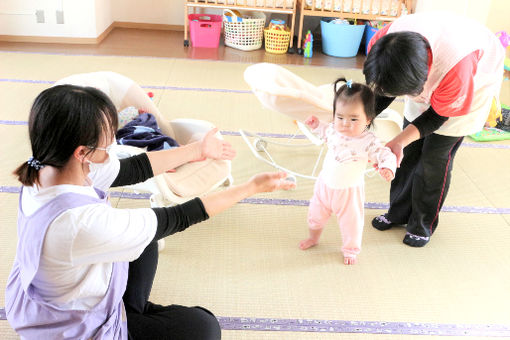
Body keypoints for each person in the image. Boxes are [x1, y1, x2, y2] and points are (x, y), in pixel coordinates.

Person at [5, 85, 295, 340]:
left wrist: (199, 150)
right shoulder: (78, 224)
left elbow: (133, 168)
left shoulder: (45, 168)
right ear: (81, 152)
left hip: (57, 290)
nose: (112, 148)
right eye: (107, 144)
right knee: (204, 327)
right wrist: (251, 187)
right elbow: (177, 217)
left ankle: (133, 313)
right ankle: (129, 320)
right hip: (76, 327)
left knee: (146, 240)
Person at [363, 12, 505, 247]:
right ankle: (398, 213)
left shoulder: (457, 65)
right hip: (429, 69)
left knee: (434, 159)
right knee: (408, 154)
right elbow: (381, 89)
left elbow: (438, 115)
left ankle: (422, 224)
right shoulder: (383, 43)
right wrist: (361, 122)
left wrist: (398, 140)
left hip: (472, 79)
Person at [299, 78, 396, 265]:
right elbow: (324, 131)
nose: (345, 124)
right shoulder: (334, 130)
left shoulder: (368, 141)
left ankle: (351, 250)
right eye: (340, 117)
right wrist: (315, 124)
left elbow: (385, 154)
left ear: (368, 120)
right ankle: (313, 237)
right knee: (315, 216)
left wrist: (387, 167)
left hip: (349, 192)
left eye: (353, 119)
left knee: (352, 224)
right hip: (324, 186)